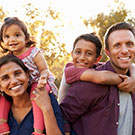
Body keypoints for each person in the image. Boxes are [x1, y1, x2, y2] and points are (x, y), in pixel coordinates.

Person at [60, 22, 135, 135]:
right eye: (117, 45)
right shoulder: (91, 81)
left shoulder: (132, 79)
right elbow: (62, 116)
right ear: (107, 52)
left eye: (129, 44)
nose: (124, 50)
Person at [0, 17, 58, 135]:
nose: (12, 40)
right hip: (26, 85)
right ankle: (2, 125)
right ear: (2, 41)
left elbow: (44, 69)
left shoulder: (33, 52)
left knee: (35, 98)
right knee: (3, 97)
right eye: (7, 37)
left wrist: (42, 79)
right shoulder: (9, 58)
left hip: (38, 82)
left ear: (26, 38)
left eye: (17, 35)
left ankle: (37, 131)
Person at [58, 33, 135, 104]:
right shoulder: (70, 69)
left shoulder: (95, 66)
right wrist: (126, 80)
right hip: (63, 115)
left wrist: (133, 78)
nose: (82, 58)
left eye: (89, 54)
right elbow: (103, 78)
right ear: (72, 54)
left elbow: (131, 65)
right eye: (78, 52)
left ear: (97, 59)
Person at [0, 54, 64, 135]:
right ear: (0, 86)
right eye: (5, 78)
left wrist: (47, 109)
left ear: (27, 75)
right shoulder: (2, 111)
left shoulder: (46, 99)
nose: (14, 81)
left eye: (17, 73)